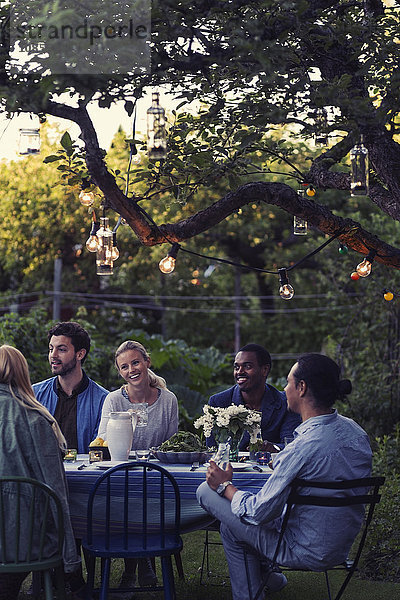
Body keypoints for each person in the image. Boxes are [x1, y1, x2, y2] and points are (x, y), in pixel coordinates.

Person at [197, 353, 372, 600]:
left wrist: (224, 485)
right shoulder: (356, 432)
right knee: (230, 528)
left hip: (300, 547)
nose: (284, 388)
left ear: (301, 388)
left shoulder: (306, 445)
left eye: (288, 382)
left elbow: (258, 512)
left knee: (205, 491)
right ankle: (269, 578)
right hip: (339, 546)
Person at [0, 345, 82, 600]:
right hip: (24, 543)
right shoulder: (37, 418)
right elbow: (56, 491)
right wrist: (71, 560)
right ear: (22, 373)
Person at [98, 340, 179, 590]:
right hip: (120, 476)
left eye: (135, 362)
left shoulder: (168, 400)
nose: (131, 369)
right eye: (124, 367)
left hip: (157, 478)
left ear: (147, 362)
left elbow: (171, 446)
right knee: (126, 499)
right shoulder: (113, 400)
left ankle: (134, 569)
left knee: (146, 498)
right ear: (120, 372)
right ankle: (141, 564)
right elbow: (103, 441)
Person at [208, 343, 301, 452]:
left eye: (247, 366)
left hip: (272, 467)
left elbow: (291, 445)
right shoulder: (218, 402)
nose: (239, 372)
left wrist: (273, 448)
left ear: (265, 370)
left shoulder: (285, 402)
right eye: (236, 367)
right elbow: (211, 450)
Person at [33, 321, 108, 454]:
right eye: (51, 349)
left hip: (86, 474)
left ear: (80, 354)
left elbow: (100, 450)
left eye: (61, 349)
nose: (53, 355)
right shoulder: (34, 394)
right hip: (43, 473)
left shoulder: (104, 400)